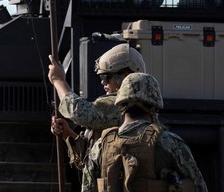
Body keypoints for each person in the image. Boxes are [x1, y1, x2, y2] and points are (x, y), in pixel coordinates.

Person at [83, 72, 207, 192]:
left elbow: (87, 187)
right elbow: (198, 186)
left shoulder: (100, 146)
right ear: (154, 107)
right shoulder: (168, 142)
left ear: (121, 106)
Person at [47, 43, 147, 186]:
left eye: (106, 77)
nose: (102, 82)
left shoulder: (124, 105)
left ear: (124, 76)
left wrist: (59, 81)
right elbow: (97, 153)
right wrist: (68, 134)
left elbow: (79, 111)